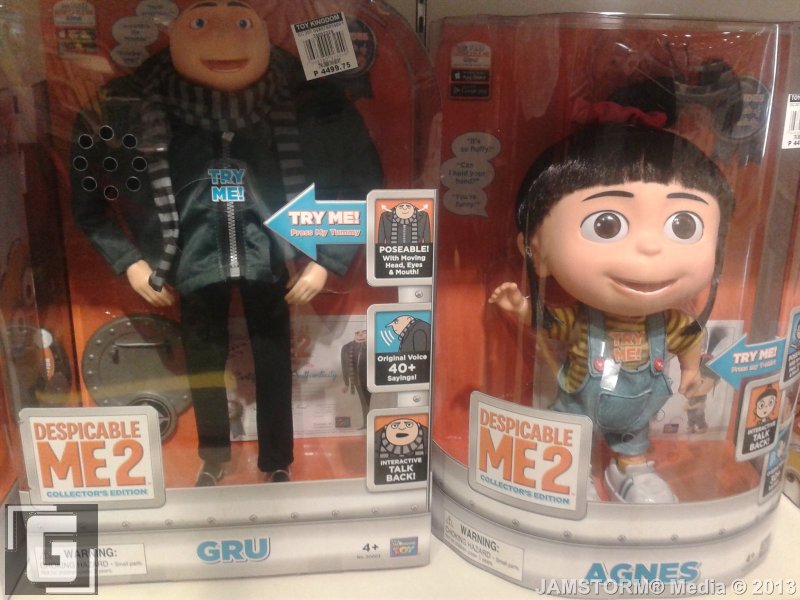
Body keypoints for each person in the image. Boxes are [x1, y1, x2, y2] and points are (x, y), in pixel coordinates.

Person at [71, 0, 382, 485]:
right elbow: (87, 193)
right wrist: (129, 260)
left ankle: (277, 460)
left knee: (274, 357)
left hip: (274, 258)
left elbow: (358, 179)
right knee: (203, 363)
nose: (223, 38)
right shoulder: (131, 108)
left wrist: (326, 257)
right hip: (189, 260)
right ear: (174, 30)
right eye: (201, 21)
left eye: (241, 21)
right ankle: (214, 457)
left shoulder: (307, 102)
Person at [490, 121, 734, 503]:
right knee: (571, 434)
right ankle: (572, 467)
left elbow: (688, 339)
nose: (650, 246)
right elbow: (552, 324)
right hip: (577, 410)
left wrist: (690, 371)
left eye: (683, 225)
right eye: (606, 225)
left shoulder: (670, 323)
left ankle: (629, 469)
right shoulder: (582, 319)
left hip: (635, 419)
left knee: (633, 440)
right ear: (537, 250)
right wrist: (521, 307)